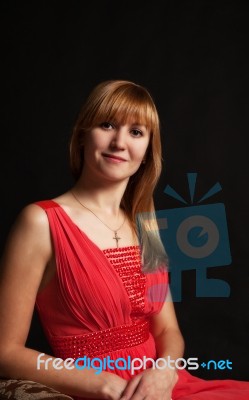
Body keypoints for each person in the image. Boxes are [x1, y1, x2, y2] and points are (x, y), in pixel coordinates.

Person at [0, 80, 248, 400]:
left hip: (162, 387)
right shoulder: (40, 221)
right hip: (97, 391)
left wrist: (164, 372)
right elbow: (5, 351)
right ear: (82, 136)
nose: (119, 142)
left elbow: (167, 330)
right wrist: (102, 384)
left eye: (136, 132)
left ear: (146, 151)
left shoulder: (149, 228)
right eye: (107, 125)